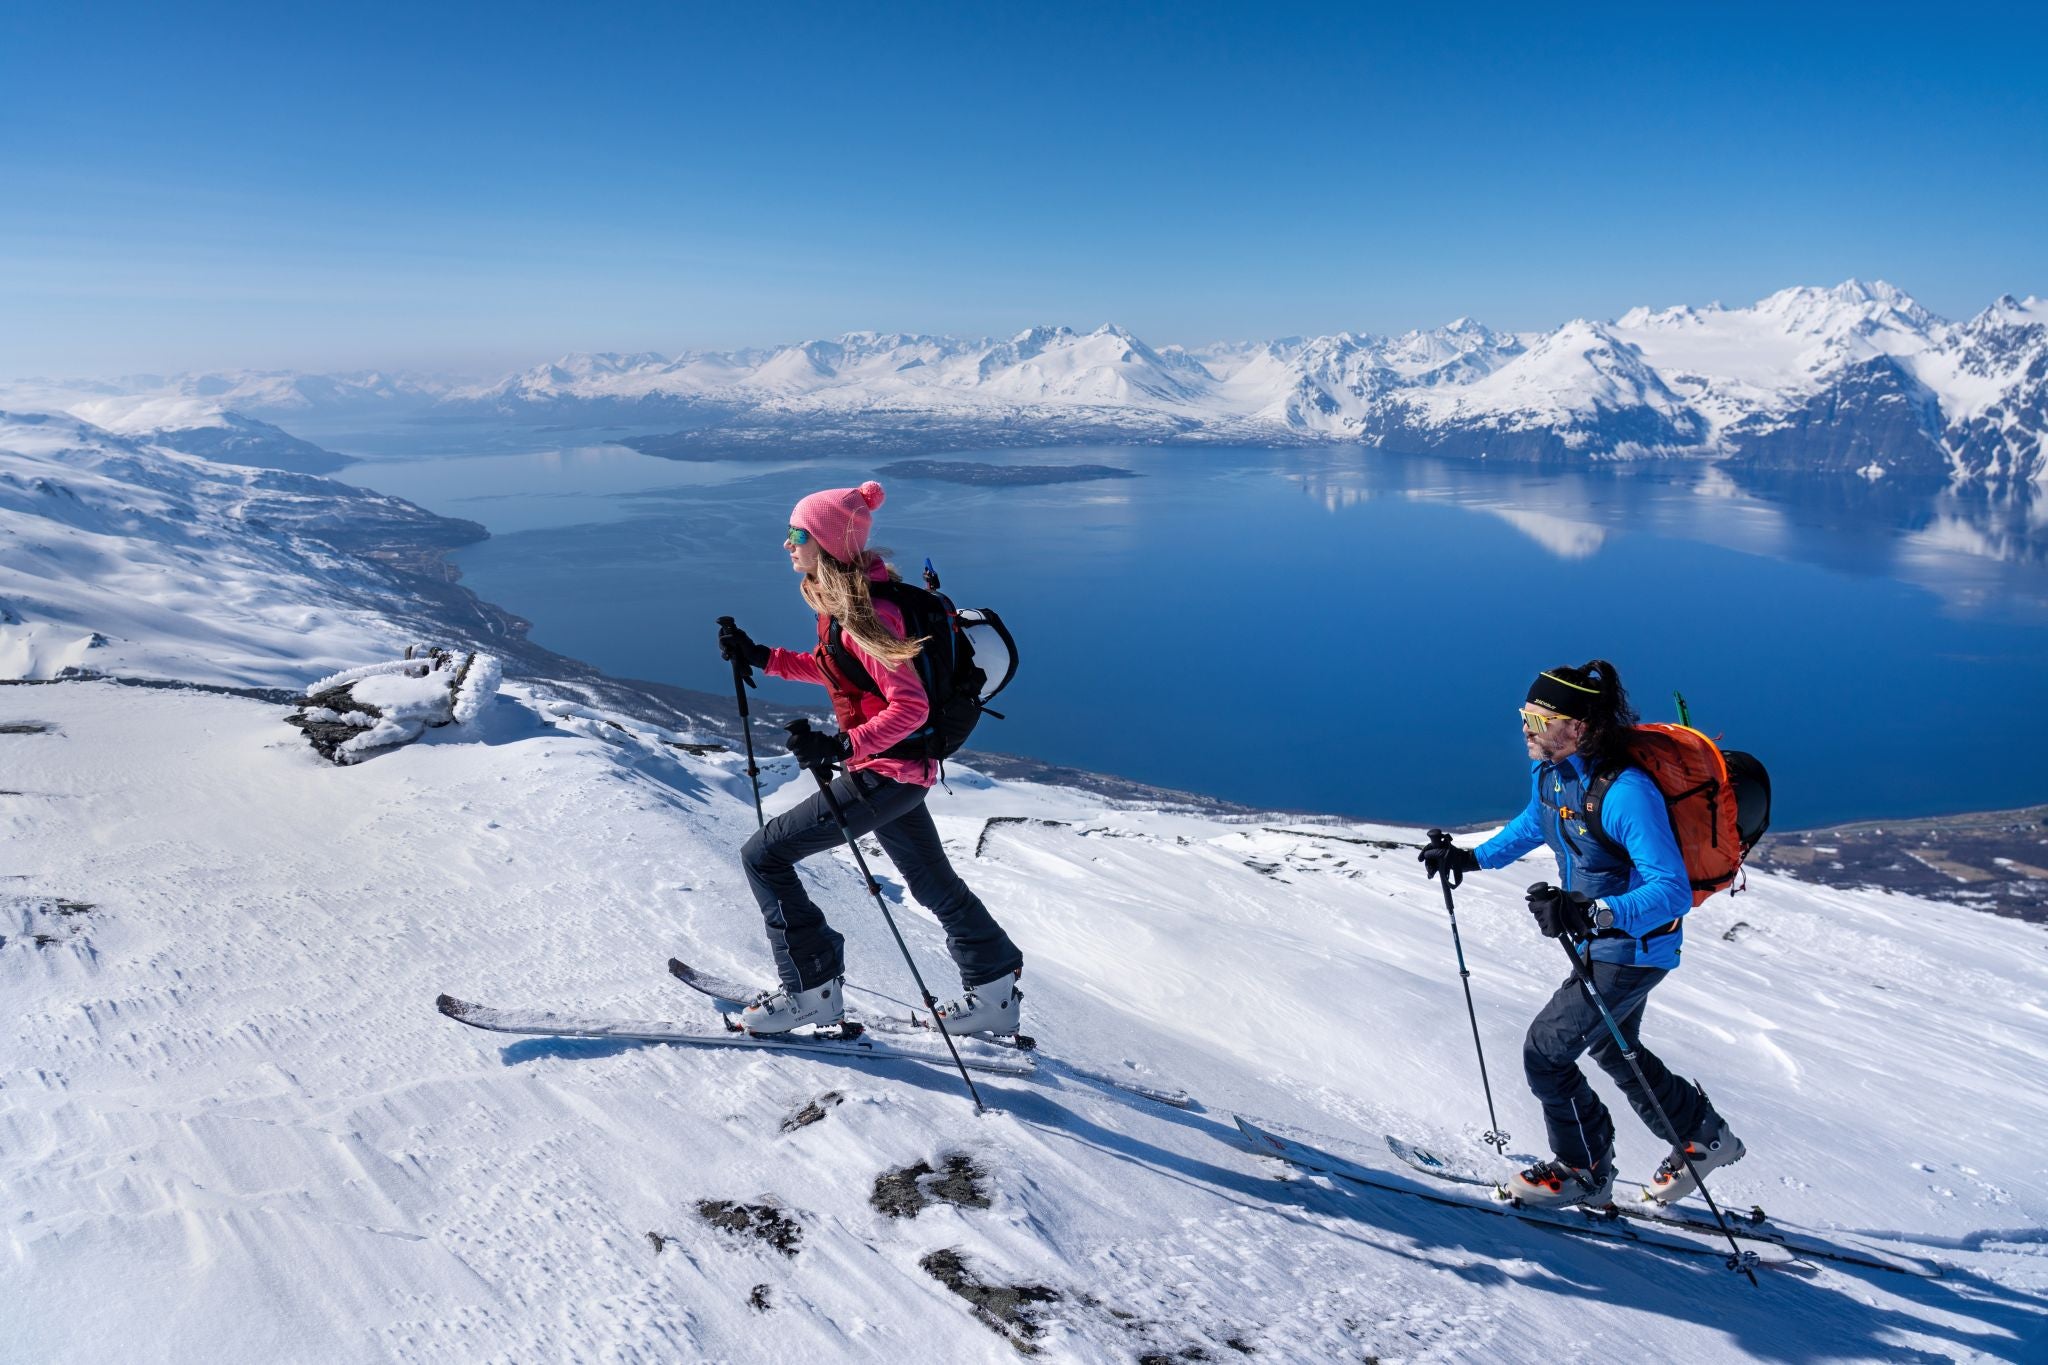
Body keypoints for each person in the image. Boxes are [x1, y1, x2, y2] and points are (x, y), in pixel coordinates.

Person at [1420, 659, 1745, 1208]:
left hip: (1633, 949)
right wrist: (1471, 859)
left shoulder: (1626, 793)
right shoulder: (1553, 774)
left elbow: (1669, 890)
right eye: (1524, 715)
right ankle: (1703, 1135)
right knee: (1614, 1047)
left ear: (1579, 727)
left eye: (1538, 720)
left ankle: (1584, 1170)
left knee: (1546, 1052)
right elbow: (1536, 822)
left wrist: (1592, 914)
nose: (1526, 729)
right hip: (1602, 941)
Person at [716, 480, 1025, 1037]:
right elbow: (837, 667)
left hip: (885, 773)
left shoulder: (868, 615)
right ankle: (995, 994)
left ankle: (810, 992)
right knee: (933, 884)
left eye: (797, 534)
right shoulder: (853, 604)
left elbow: (911, 706)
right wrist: (762, 656)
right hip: (898, 773)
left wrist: (842, 746)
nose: (787, 544)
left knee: (765, 855)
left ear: (828, 542)